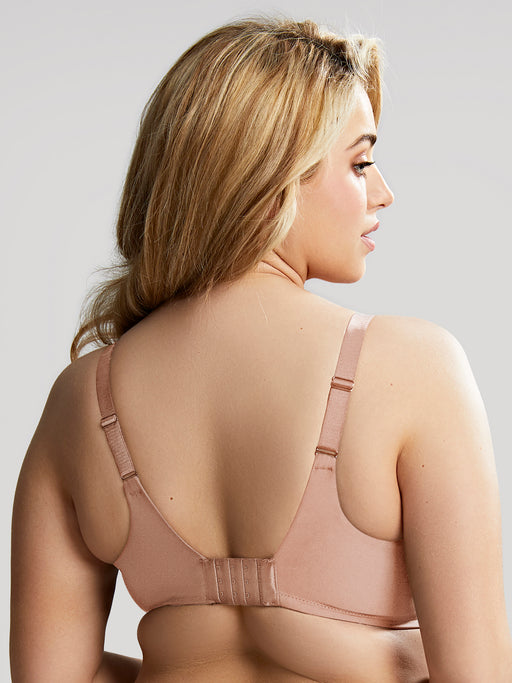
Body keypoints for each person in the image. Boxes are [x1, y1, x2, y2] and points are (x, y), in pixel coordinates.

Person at [9, 14, 512, 683]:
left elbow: (51, 678)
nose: (383, 192)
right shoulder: (413, 368)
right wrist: (397, 657)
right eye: (360, 163)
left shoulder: (82, 400)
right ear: (270, 175)